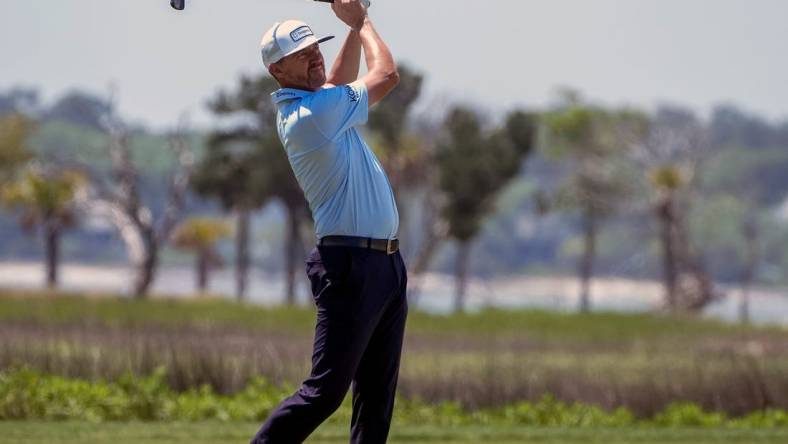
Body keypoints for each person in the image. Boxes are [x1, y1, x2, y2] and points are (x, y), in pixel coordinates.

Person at [250, 1, 406, 443]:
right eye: (303, 55)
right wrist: (362, 22)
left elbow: (335, 81)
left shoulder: (318, 104)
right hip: (351, 265)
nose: (315, 55)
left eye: (316, 47)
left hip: (386, 265)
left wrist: (353, 27)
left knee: (376, 398)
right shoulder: (310, 119)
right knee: (325, 392)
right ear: (278, 71)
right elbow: (387, 75)